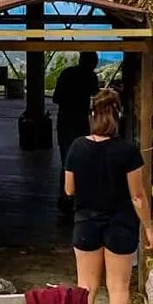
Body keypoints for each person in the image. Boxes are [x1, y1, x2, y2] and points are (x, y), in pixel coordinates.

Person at [63, 88, 153, 304]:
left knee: (86, 288)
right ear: (118, 115)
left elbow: (69, 190)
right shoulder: (127, 150)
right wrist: (149, 229)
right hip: (121, 226)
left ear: (92, 116)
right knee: (118, 289)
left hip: (87, 224)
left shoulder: (77, 147)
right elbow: (138, 197)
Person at [53, 52, 101, 214]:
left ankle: (65, 197)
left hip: (65, 121)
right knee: (82, 160)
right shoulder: (90, 77)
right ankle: (77, 198)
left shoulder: (67, 73)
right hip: (80, 123)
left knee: (66, 160)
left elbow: (56, 98)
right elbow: (96, 95)